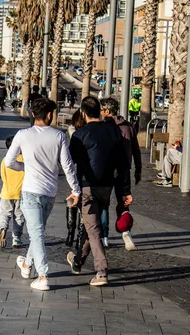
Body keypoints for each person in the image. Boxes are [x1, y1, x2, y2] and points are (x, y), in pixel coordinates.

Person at [5, 99, 81, 291]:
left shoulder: (22, 135)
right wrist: (75, 190)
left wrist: (25, 167)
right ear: (48, 115)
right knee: (38, 232)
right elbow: (67, 165)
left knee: (37, 233)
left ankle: (42, 275)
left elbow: (9, 162)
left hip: (30, 190)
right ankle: (27, 265)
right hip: (50, 191)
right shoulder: (59, 135)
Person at [68, 96, 132, 287]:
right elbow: (123, 164)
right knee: (92, 226)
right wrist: (124, 191)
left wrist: (74, 190)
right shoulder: (114, 132)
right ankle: (78, 260)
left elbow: (70, 163)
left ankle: (101, 271)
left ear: (84, 113)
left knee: (93, 228)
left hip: (88, 186)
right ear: (100, 111)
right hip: (107, 186)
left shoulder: (80, 134)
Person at [100, 97, 142, 250]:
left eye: (101, 110)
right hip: (124, 170)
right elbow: (136, 150)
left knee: (103, 203)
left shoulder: (103, 127)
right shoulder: (128, 126)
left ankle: (104, 237)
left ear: (107, 111)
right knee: (123, 203)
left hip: (106, 170)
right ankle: (125, 231)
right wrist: (138, 169)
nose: (100, 112)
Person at [0, 136, 25, 249]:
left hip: (7, 192)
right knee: (19, 216)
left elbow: (3, 177)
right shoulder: (24, 159)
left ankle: (3, 228)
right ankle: (16, 238)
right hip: (20, 193)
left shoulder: (5, 160)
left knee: (4, 213)